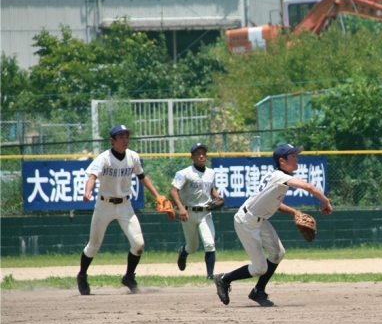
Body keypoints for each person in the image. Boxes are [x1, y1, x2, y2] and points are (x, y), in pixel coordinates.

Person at [214, 143, 333, 307]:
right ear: (282, 161)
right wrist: (325, 202)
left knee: (278, 253)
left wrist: (294, 213)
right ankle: (224, 278)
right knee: (260, 268)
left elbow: (274, 204)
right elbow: (308, 187)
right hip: (247, 221)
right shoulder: (279, 176)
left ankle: (258, 291)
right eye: (293, 156)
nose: (297, 159)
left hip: (259, 219)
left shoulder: (278, 179)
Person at [76, 124, 166, 295]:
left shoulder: (133, 157)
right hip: (104, 206)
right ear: (112, 140)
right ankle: (82, 275)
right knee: (94, 245)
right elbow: (93, 177)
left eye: (127, 137)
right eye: (121, 137)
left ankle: (129, 277)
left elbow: (142, 176)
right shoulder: (104, 158)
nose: (125, 140)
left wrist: (157, 195)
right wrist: (87, 191)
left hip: (125, 206)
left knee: (139, 244)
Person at [170, 142, 224, 279]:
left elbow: (211, 188)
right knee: (192, 247)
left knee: (209, 243)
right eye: (198, 154)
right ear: (192, 156)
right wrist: (180, 208)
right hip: (188, 212)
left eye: (203, 154)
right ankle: (184, 251)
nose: (201, 156)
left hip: (206, 212)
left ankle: (210, 276)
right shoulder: (184, 173)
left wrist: (218, 197)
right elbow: (174, 191)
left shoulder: (211, 173)